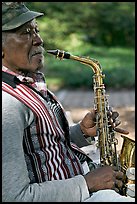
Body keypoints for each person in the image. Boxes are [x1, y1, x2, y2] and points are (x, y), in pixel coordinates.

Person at [2, 2, 135, 202]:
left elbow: (42, 149)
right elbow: (14, 197)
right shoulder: (8, 105)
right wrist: (88, 183)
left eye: (36, 30)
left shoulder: (28, 84)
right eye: (25, 33)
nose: (39, 40)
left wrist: (81, 132)